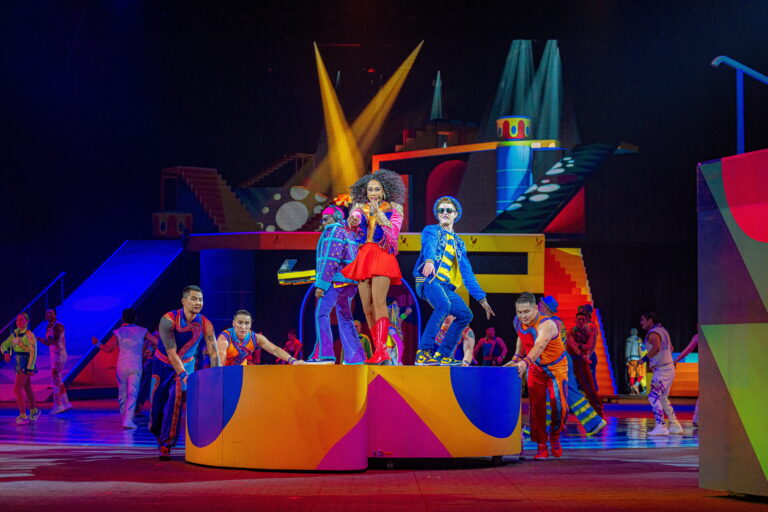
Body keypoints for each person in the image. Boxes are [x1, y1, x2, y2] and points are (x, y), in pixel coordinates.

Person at [413, 196, 494, 366]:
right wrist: (429, 261)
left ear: (455, 214)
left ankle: (442, 355)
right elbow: (429, 245)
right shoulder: (431, 230)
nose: (444, 213)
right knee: (444, 306)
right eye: (441, 210)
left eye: (448, 210)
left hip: (445, 286)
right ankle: (423, 353)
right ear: (438, 214)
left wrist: (481, 298)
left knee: (466, 315)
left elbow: (467, 272)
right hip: (428, 280)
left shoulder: (459, 243)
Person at [341, 169, 406, 364]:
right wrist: (353, 220)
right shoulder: (361, 208)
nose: (374, 193)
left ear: (384, 190)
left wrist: (377, 211)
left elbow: (392, 231)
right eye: (370, 190)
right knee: (367, 307)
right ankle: (379, 349)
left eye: (377, 189)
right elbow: (355, 222)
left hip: (382, 255)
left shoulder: (394, 209)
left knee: (378, 302)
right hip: (364, 257)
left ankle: (382, 348)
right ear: (366, 191)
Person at [149, 285, 220, 460]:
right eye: (194, 299)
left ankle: (166, 444)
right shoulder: (168, 320)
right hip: (163, 365)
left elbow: (213, 353)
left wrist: (217, 376)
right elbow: (171, 353)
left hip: (186, 366)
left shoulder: (205, 323)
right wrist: (181, 373)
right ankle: (158, 431)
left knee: (175, 400)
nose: (198, 303)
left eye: (201, 299)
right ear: (183, 301)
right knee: (157, 406)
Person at [506, 292, 568, 460]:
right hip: (535, 367)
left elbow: (539, 345)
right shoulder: (518, 321)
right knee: (536, 407)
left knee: (560, 406)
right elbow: (522, 337)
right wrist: (516, 357)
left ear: (535, 308)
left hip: (556, 367)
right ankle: (541, 445)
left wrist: (524, 362)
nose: (523, 316)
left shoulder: (546, 324)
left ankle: (555, 435)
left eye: (527, 312)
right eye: (519, 312)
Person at [539, 296, 606, 436]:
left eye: (540, 303)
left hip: (557, 360)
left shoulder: (552, 322)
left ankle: (544, 426)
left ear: (546, 307)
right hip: (559, 359)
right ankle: (544, 425)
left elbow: (546, 344)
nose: (538, 305)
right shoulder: (553, 321)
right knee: (557, 392)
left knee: (562, 391)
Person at [310, 205, 364, 364]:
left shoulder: (333, 231)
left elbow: (330, 260)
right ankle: (355, 357)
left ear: (337, 217)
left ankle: (325, 354)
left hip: (335, 281)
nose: (323, 223)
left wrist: (322, 284)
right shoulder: (349, 232)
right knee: (345, 317)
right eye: (322, 220)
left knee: (321, 314)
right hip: (349, 282)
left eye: (326, 219)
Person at [92, 309, 158, 429]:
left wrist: (97, 343)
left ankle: (125, 417)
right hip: (135, 364)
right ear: (136, 318)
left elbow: (108, 349)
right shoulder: (143, 331)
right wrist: (151, 350)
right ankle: (128, 420)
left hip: (122, 365)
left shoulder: (118, 332)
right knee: (133, 393)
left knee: (122, 392)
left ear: (123, 319)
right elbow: (158, 342)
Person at [640, 312, 683, 436]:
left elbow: (657, 347)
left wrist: (644, 359)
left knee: (653, 396)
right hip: (668, 368)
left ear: (650, 320)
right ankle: (675, 425)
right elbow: (671, 348)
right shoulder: (663, 330)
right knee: (662, 398)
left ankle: (661, 426)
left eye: (643, 320)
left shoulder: (653, 333)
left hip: (663, 370)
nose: (641, 323)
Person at [217, 310, 306, 366]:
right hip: (222, 371)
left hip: (241, 370)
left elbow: (275, 350)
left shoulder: (256, 338)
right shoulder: (224, 338)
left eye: (247, 323)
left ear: (250, 325)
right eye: (240, 323)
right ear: (233, 323)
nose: (243, 327)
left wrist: (293, 361)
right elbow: (220, 363)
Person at [1, 313, 40, 424]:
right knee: (27, 388)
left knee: (17, 389)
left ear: (27, 321)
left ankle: (23, 416)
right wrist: (6, 352)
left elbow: (33, 352)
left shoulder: (29, 335)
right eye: (17, 320)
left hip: (26, 362)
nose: (19, 322)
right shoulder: (14, 334)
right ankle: (34, 411)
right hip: (18, 362)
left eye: (22, 319)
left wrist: (30, 367)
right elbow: (4, 345)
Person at [567, 312, 604, 418]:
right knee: (570, 386)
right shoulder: (571, 332)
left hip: (583, 360)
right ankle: (569, 409)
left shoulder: (589, 331)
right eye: (579, 319)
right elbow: (573, 346)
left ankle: (598, 409)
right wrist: (582, 351)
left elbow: (589, 346)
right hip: (572, 361)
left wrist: (581, 349)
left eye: (583, 319)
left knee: (589, 385)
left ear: (586, 321)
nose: (581, 321)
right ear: (575, 320)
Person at [38, 309, 72, 414]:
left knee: (55, 379)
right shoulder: (49, 327)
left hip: (59, 354)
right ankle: (66, 403)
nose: (48, 315)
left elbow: (53, 341)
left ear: (55, 315)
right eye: (47, 313)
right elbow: (50, 342)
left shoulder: (58, 326)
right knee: (58, 379)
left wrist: (40, 340)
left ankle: (58, 405)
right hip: (54, 354)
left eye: (51, 313)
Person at [674, 330, 699, 426]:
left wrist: (677, 359)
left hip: (715, 367)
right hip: (708, 368)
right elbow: (688, 350)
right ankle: (696, 419)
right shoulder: (698, 336)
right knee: (704, 394)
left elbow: (688, 349)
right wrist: (677, 359)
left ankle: (697, 419)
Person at [625, 328, 644, 394]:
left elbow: (626, 350)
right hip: (637, 359)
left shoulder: (628, 339)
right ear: (636, 332)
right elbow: (639, 349)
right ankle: (636, 385)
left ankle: (632, 391)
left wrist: (626, 360)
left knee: (632, 375)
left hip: (629, 359)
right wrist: (641, 358)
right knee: (641, 374)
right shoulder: (638, 339)